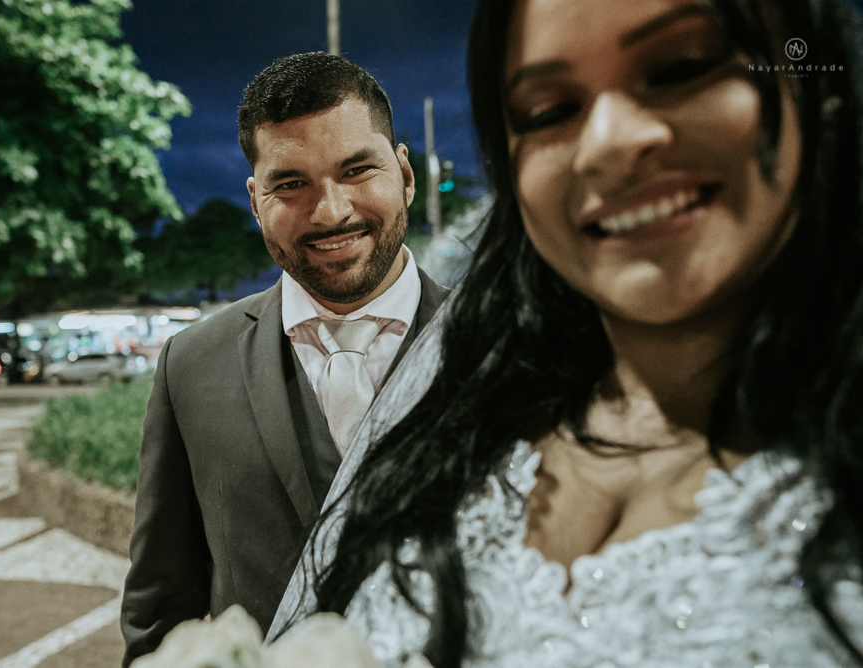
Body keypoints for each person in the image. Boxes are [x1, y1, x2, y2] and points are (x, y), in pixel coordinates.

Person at [273, 0, 863, 666]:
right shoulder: (459, 403)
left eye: (681, 68)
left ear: (822, 84)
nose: (609, 142)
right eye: (548, 111)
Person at [120, 52, 450, 666]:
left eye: (357, 170)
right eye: (291, 183)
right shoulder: (190, 364)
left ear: (405, 174)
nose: (330, 211)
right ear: (254, 197)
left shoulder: (499, 347)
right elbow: (160, 603)